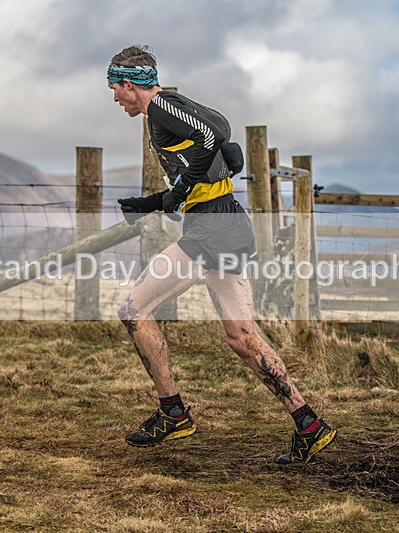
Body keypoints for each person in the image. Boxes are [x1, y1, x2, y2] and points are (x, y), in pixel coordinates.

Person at [108, 45, 336, 464]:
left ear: (128, 84)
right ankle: (309, 424)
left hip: (212, 230)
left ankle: (173, 413)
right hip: (226, 221)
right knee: (242, 338)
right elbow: (222, 140)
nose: (114, 99)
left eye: (114, 89)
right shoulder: (176, 105)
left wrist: (177, 191)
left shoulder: (160, 108)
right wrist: (153, 202)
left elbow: (211, 140)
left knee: (132, 310)